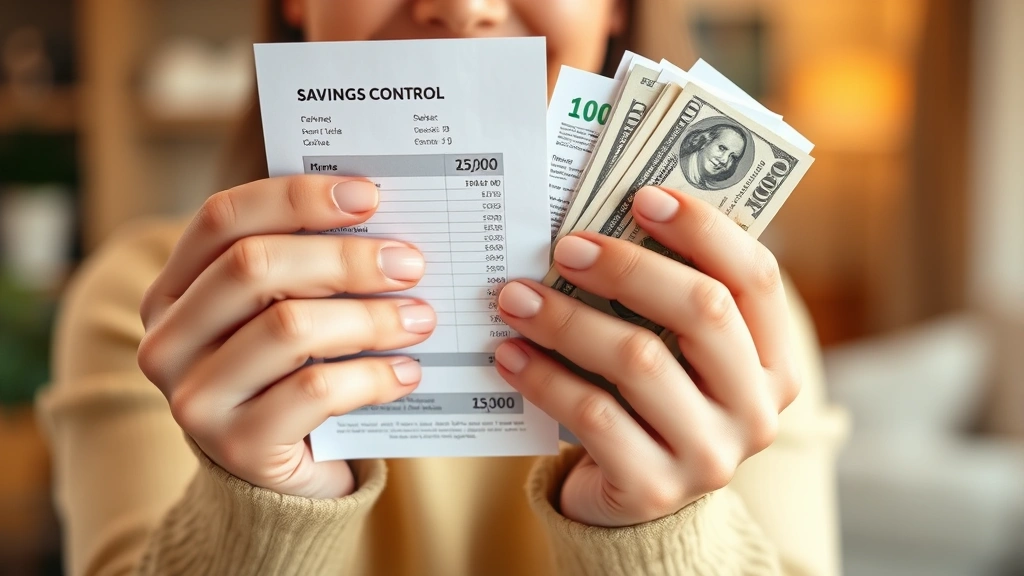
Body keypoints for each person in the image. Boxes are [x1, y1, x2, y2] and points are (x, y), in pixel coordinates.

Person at [37, 1, 848, 575]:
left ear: (615, 10)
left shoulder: (724, 320)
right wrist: (264, 512)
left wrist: (655, 540)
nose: (462, 9)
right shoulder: (151, 302)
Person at [679, 123, 749, 191]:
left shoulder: (700, 184)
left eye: (733, 157)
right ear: (704, 141)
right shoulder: (680, 168)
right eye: (722, 148)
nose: (724, 160)